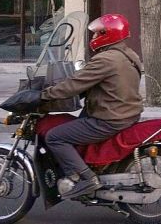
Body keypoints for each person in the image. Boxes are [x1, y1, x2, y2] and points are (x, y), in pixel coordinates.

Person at [39, 13, 144, 199]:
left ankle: (87, 179)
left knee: (55, 136)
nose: (94, 38)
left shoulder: (105, 59)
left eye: (97, 34)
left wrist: (44, 95)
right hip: (127, 113)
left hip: (108, 119)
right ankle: (86, 169)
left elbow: (73, 84)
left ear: (108, 34)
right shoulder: (128, 54)